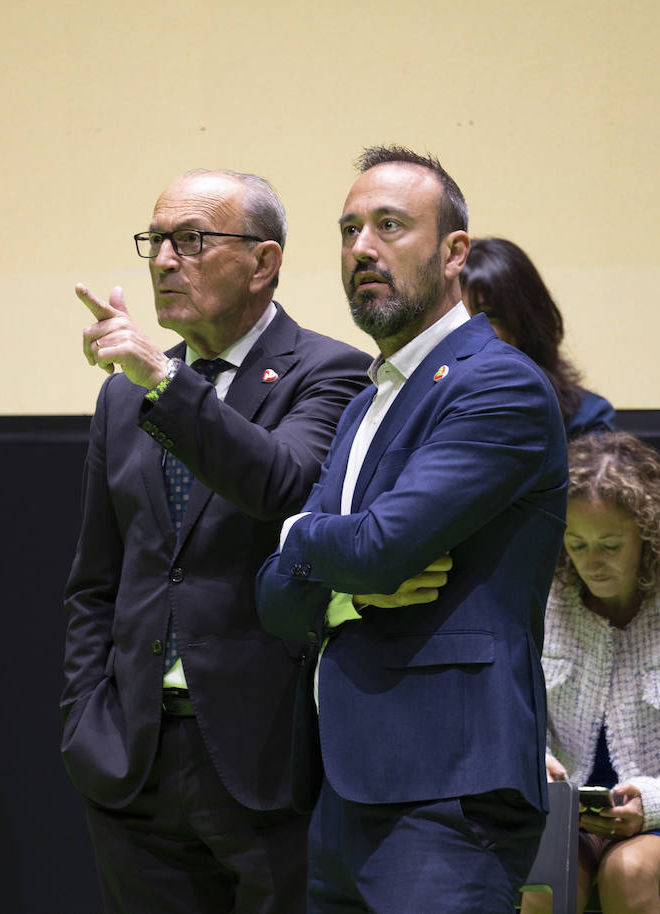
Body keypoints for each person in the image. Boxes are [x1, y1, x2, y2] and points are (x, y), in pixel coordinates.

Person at [256, 145, 568, 913]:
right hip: (343, 792)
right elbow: (275, 602)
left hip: (450, 789)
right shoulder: (366, 402)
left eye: (389, 225)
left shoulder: (498, 383)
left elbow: (380, 548)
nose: (361, 247)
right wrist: (341, 589)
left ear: (454, 251)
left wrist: (300, 538)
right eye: (349, 229)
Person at [60, 168, 371, 913]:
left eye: (191, 241)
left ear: (264, 262)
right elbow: (97, 578)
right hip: (132, 757)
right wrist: (85, 719)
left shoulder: (328, 372)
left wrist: (165, 379)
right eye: (157, 242)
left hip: (262, 758)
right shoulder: (122, 392)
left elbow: (281, 484)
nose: (165, 261)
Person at [528, 431, 660, 914]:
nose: (591, 562)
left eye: (609, 544)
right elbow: (515, 715)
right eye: (576, 543)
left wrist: (652, 803)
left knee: (625, 871)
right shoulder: (543, 602)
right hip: (569, 823)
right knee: (543, 883)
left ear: (649, 536)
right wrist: (534, 759)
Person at [459, 237, 614, 437]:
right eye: (458, 314)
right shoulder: (423, 404)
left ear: (525, 323)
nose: (468, 328)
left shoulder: (585, 418)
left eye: (488, 315)